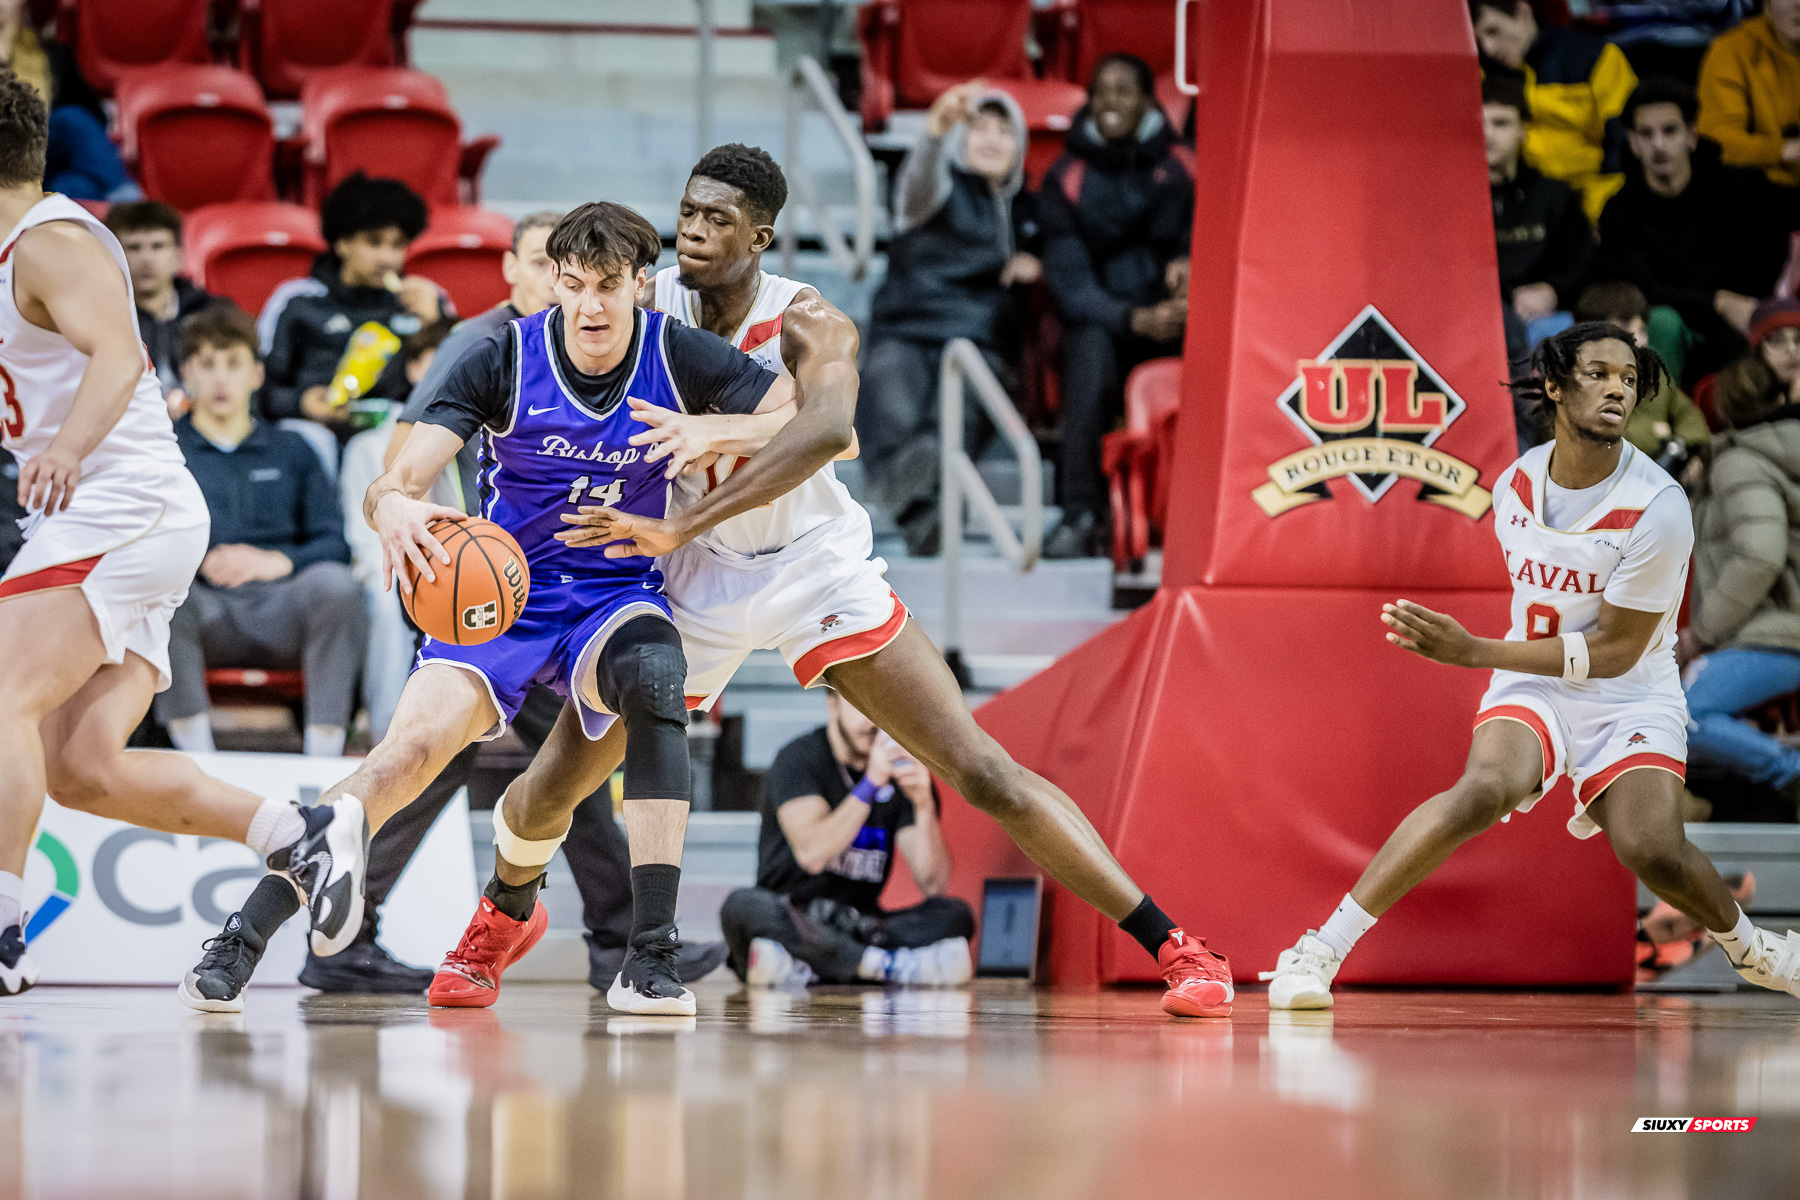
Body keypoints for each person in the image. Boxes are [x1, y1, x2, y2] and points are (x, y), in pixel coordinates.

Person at [566, 144, 1234, 1018]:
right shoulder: (644, 308)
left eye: (717, 219)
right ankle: (495, 925)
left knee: (980, 769)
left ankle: (1176, 945)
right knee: (566, 769)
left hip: (809, 562)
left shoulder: (809, 320)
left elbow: (835, 432)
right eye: (687, 213)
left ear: (762, 235)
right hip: (698, 571)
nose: (690, 230)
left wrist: (708, 446)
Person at [180, 201, 786, 1016]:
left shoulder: (677, 355)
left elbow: (803, 412)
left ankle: (648, 955)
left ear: (643, 286)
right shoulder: (498, 356)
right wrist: (393, 504)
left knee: (656, 675)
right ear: (552, 286)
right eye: (573, 285)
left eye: (609, 286)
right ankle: (243, 937)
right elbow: (398, 478)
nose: (591, 306)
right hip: (503, 596)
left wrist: (710, 432)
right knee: (408, 754)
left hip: (612, 593)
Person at [1261, 322, 1800, 1009]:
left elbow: (1614, 651)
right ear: (1554, 386)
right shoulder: (1516, 485)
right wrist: (1498, 661)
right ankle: (1317, 952)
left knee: (1650, 847)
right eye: (1599, 373)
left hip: (1629, 691)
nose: (1617, 388)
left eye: (1629, 379)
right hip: (1537, 681)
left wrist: (1474, 651)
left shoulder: (1659, 507)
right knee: (1482, 790)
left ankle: (1754, 953)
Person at [0, 71, 364, 1000]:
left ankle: (2, 930)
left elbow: (123, 353)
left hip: (121, 501)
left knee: (2, 697)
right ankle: (295, 831)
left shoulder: (50, 241)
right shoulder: (19, 251)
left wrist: (67, 451)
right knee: (80, 766)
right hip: (113, 512)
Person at [308, 211, 726, 994]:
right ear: (518, 272)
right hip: (475, 584)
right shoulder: (485, 345)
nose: (569, 288)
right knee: (444, 766)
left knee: (568, 774)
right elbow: (405, 458)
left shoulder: (630, 343)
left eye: (594, 278)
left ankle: (617, 937)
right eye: (549, 267)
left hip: (577, 595)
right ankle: (349, 930)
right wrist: (402, 513)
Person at [154, 303, 368, 759]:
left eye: (232, 364)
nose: (219, 379)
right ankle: (197, 761)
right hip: (203, 607)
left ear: (255, 374)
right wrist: (197, 560)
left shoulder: (294, 449)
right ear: (186, 374)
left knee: (337, 586)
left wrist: (278, 561)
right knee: (158, 595)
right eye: (207, 365)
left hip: (284, 606)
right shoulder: (163, 451)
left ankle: (323, 762)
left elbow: (336, 543)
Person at [858, 83, 1040, 556]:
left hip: (978, 339)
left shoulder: (1028, 210)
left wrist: (1035, 266)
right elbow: (918, 180)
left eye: (1005, 131)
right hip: (905, 326)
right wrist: (935, 133)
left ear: (1020, 146)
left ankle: (925, 511)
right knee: (891, 417)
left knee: (946, 426)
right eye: (979, 128)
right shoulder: (934, 192)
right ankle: (932, 514)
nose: (992, 140)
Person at [1038, 53, 1194, 559]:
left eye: (1124, 90)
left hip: (1176, 316)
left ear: (1149, 100)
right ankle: (1081, 511)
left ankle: (1196, 505)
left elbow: (1220, 236)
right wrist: (1133, 318)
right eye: (1101, 90)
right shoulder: (1066, 175)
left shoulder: (1184, 165)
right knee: (1088, 346)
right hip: (1105, 320)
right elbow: (1070, 282)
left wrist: (1191, 261)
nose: (1110, 102)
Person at [720, 689, 974, 986]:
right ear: (832, 703)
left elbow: (933, 883)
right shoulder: (799, 759)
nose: (873, 721)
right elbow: (812, 855)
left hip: (860, 923)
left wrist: (923, 805)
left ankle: (813, 966)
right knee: (743, 906)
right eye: (861, 706)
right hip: (796, 915)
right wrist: (870, 785)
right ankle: (880, 965)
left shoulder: (899, 769)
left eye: (883, 709)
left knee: (955, 914)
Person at [1596, 78, 1795, 385]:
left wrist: (1743, 303)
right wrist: (1716, 300)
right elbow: (1639, 286)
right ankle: (1661, 417)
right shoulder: (1618, 211)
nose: (1658, 144)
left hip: (1748, 311)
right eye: (1646, 134)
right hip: (1676, 325)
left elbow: (1772, 250)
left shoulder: (1742, 188)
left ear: (1692, 135)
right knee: (1662, 322)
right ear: (1633, 142)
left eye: (1670, 131)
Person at [1684, 308, 1800, 808]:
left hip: (1777, 633)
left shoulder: (1740, 461)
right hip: (1780, 632)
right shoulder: (1772, 454)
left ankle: (1789, 771)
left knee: (1675, 714)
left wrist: (1700, 637)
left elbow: (1758, 556)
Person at [258, 173, 442, 447]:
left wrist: (436, 328)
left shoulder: (426, 301)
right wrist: (301, 402)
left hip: (391, 434)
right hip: (313, 433)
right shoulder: (296, 299)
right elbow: (256, 386)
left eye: (398, 245)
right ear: (342, 243)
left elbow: (458, 391)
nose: (387, 258)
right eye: (374, 242)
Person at [1471, 0, 1638, 222]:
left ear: (1522, 12)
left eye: (1493, 30)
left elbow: (1623, 139)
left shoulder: (1595, 56)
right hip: (1520, 204)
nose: (1489, 47)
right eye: (1479, 39)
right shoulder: (1483, 72)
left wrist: (1603, 207)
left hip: (1590, 196)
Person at [1485, 72, 1594, 345]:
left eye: (1501, 123)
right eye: (1479, 123)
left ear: (1524, 129)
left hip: (1543, 323)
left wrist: (1553, 291)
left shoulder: (1554, 195)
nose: (1487, 134)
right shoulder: (1449, 199)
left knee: (1560, 333)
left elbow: (1587, 264)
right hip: (1474, 320)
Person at [1572, 280, 1709, 484]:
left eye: (1642, 330)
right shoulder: (1575, 385)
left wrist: (1692, 450)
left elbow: (1687, 414)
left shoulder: (1654, 375)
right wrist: (1659, 434)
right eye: (1625, 331)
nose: (1639, 340)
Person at [0, 0, 134, 202]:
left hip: (40, 154)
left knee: (71, 185)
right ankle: (126, 202)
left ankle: (125, 204)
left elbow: (93, 117)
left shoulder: (49, 54)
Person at [104, 202, 215, 403]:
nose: (146, 258)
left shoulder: (211, 313)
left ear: (179, 256)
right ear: (113, 256)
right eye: (133, 247)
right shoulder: (99, 318)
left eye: (158, 246)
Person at [1696, 0, 1800, 189]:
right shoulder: (1731, 51)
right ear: (1766, 7)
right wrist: (1783, 150)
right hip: (1764, 194)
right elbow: (1715, 140)